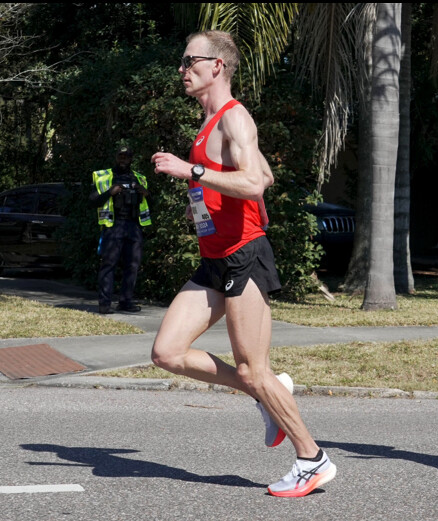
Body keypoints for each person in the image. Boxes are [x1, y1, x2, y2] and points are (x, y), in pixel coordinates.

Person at [149, 30, 335, 498]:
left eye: (190, 61)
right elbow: (264, 175)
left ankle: (312, 459)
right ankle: (270, 394)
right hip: (214, 257)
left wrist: (190, 170)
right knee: (167, 352)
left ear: (217, 66)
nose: (182, 69)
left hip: (243, 255)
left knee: (253, 368)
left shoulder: (234, 117)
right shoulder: (210, 121)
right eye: (182, 61)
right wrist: (209, 192)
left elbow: (253, 183)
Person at [90, 146, 151, 314]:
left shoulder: (139, 178)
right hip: (113, 225)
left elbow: (152, 203)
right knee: (108, 265)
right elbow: (92, 201)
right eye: (120, 156)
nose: (123, 159)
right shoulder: (104, 176)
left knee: (133, 265)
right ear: (116, 157)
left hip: (134, 226)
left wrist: (146, 193)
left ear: (131, 159)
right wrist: (110, 192)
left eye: (127, 156)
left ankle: (125, 302)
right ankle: (104, 304)